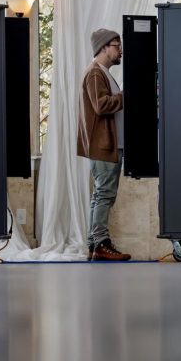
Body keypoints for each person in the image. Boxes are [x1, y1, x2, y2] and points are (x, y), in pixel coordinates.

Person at [76, 28, 131, 261]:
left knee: (101, 195)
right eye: (117, 46)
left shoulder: (103, 73)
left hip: (108, 144)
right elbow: (101, 105)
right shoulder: (95, 74)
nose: (121, 51)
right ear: (103, 47)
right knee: (105, 194)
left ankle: (94, 243)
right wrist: (127, 95)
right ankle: (101, 243)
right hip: (104, 145)